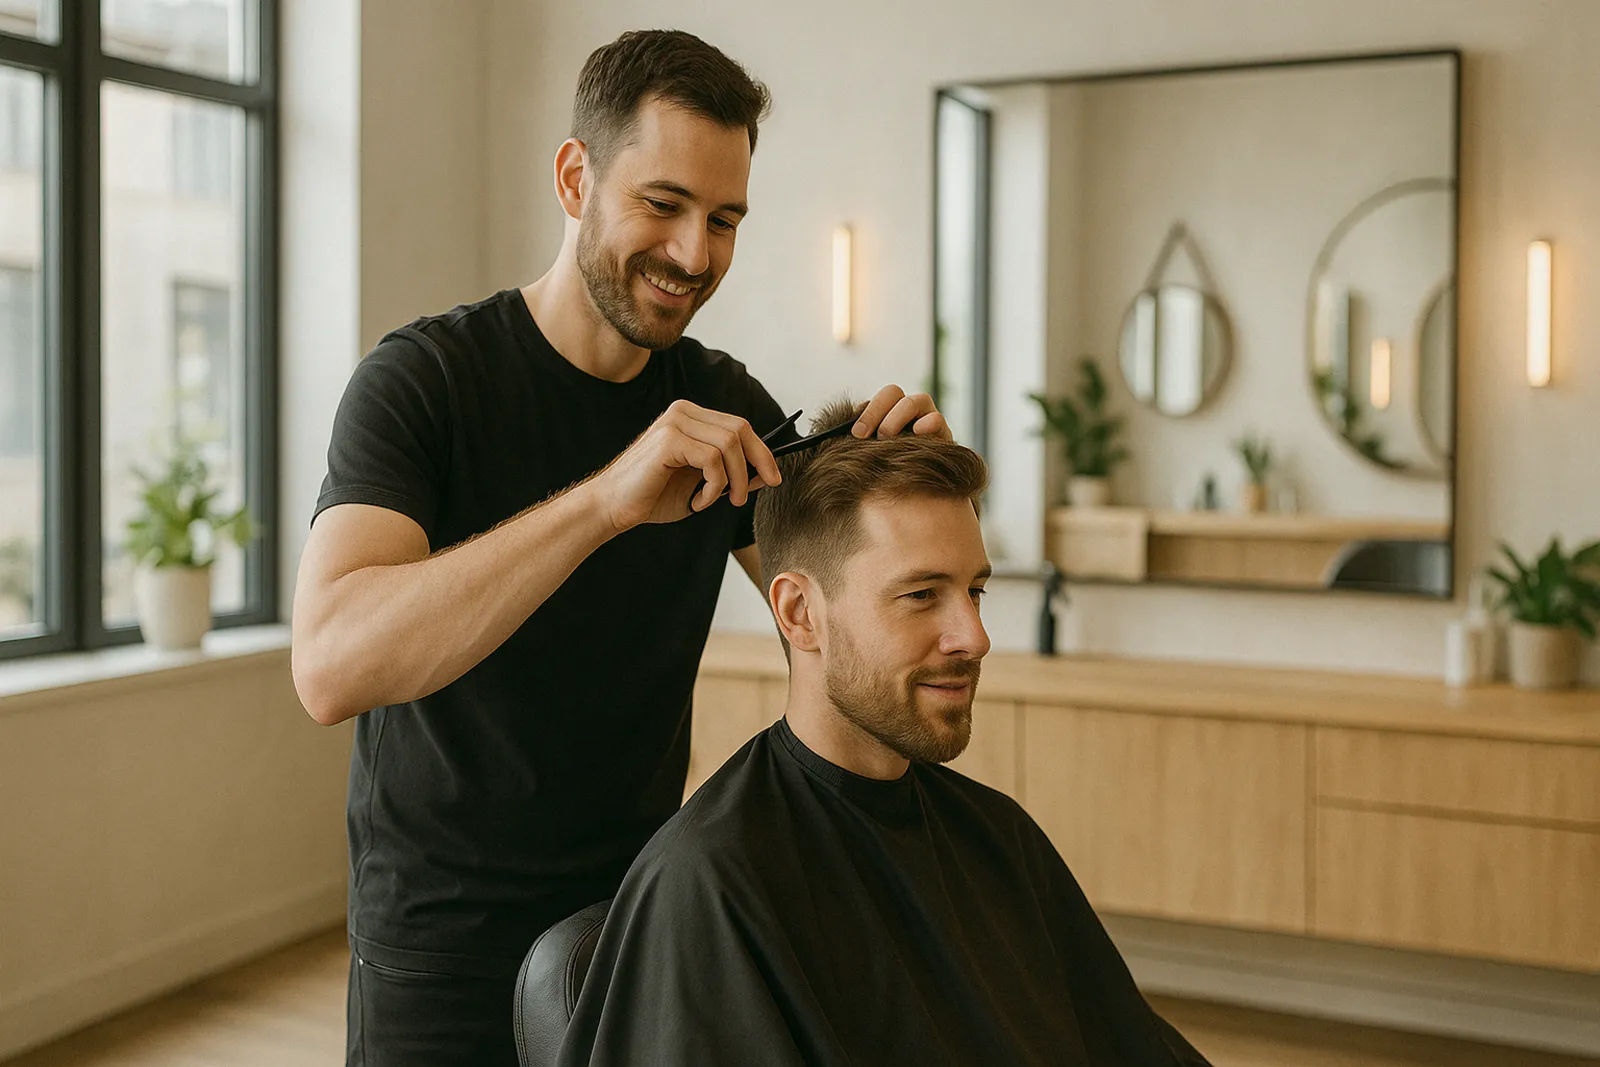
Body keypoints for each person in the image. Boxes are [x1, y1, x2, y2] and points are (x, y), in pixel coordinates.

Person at [289, 31, 948, 1067]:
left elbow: (837, 626)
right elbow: (330, 664)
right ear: (573, 176)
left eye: (723, 219)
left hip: (636, 927)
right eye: (663, 204)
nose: (695, 253)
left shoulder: (728, 404)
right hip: (439, 951)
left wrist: (904, 503)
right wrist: (604, 500)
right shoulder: (424, 383)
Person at [555, 400, 1213, 1067]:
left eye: (975, 590)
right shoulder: (714, 882)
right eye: (922, 595)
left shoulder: (999, 839)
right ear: (799, 612)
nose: (974, 637)